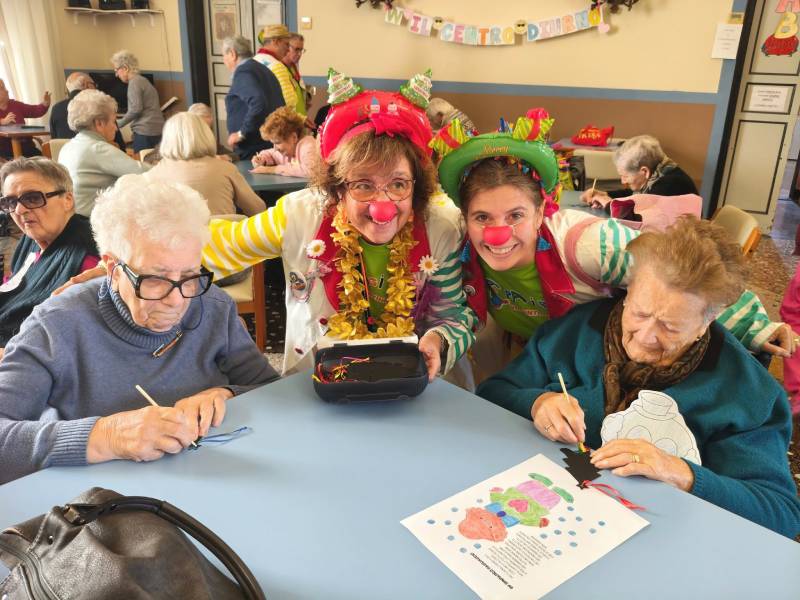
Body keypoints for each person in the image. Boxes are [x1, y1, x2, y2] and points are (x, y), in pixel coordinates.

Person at [477, 217, 800, 538]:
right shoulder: (576, 331)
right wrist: (538, 402)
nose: (645, 336)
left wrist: (681, 472)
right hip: (554, 517)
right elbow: (494, 392)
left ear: (708, 321)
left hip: (668, 540)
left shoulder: (746, 392)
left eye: (670, 327)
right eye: (639, 313)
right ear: (628, 290)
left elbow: (780, 513)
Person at [433, 110, 796, 384]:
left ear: (542, 210)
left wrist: (755, 325)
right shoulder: (463, 250)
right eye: (482, 217)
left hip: (609, 364)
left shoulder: (590, 245)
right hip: (537, 358)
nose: (498, 233)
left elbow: (687, 269)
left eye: (515, 215)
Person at [0, 175, 278, 484]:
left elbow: (272, 391)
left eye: (189, 274)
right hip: (103, 504)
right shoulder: (55, 325)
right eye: (155, 278)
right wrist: (106, 436)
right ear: (112, 268)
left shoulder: (212, 305)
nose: (177, 300)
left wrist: (226, 393)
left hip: (213, 481)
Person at [203, 71, 477, 378]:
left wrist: (438, 340)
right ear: (337, 188)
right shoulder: (297, 216)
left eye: (398, 184)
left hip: (411, 386)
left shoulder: (441, 227)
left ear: (417, 186)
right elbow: (209, 250)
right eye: (363, 185)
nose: (382, 207)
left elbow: (454, 317)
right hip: (315, 387)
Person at [0, 157, 98, 350]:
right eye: (10, 202)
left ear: (67, 200)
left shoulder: (87, 260)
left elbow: (70, 340)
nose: (19, 210)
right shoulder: (31, 239)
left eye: (33, 198)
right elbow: (12, 283)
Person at [145, 112, 265, 216]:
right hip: (223, 239)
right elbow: (258, 209)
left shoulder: (154, 174)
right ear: (206, 134)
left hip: (178, 240)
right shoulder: (226, 168)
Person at [58, 89, 149, 216]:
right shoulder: (97, 149)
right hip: (91, 225)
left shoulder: (68, 147)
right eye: (113, 121)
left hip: (72, 218)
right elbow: (144, 173)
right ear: (99, 123)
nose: (116, 128)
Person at [580, 134, 698, 208]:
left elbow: (635, 217)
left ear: (644, 171)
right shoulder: (661, 172)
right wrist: (606, 194)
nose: (623, 181)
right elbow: (634, 195)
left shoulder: (670, 185)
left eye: (625, 176)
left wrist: (608, 204)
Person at [222, 36, 285, 160]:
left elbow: (258, 102)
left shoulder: (243, 72)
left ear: (232, 54)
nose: (223, 60)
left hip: (253, 147)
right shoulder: (262, 69)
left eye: (224, 55)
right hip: (267, 143)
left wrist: (242, 133)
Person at [49, 72, 127, 150]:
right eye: (94, 84)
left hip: (62, 158)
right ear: (87, 85)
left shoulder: (56, 108)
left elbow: (54, 139)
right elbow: (120, 145)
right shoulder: (99, 105)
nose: (96, 88)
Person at [111, 50, 165, 153]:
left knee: (143, 165)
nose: (116, 75)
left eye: (116, 70)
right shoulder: (143, 80)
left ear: (125, 68)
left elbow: (136, 109)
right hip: (157, 130)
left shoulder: (134, 83)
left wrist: (118, 124)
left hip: (145, 132)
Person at [250, 106, 318, 178]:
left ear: (294, 137)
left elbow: (312, 171)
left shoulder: (308, 145)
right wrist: (262, 159)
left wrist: (272, 170)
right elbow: (271, 153)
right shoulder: (288, 150)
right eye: (273, 143)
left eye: (277, 142)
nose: (275, 148)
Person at [254, 24, 306, 117]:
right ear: (276, 42)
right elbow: (289, 102)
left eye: (301, 50)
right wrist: (300, 119)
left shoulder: (255, 60)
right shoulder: (276, 66)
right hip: (282, 121)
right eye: (286, 44)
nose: (287, 49)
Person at [0, 79, 51, 158]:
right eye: (2, 88)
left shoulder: (15, 105)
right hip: (6, 152)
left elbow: (34, 110)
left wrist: (45, 103)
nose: (7, 91)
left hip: (27, 147)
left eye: (4, 88)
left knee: (45, 162)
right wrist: (2, 121)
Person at [283, 32, 313, 111]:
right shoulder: (280, 70)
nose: (299, 54)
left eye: (301, 50)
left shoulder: (293, 68)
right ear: (286, 47)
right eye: (296, 49)